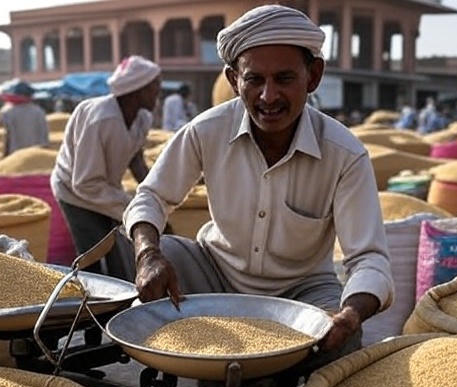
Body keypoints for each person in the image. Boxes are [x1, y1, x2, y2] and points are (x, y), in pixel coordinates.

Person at [124, 5, 393, 364]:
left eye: (284, 79)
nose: (268, 97)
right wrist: (148, 255)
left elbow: (369, 258)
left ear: (313, 77)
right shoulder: (206, 131)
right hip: (215, 274)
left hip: (302, 291)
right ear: (234, 80)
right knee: (162, 252)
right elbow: (151, 197)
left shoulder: (344, 154)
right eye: (254, 80)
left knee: (343, 341)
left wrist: (351, 314)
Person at [51, 55, 161, 280]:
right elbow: (85, 183)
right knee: (92, 254)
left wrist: (154, 195)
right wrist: (129, 205)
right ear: (136, 90)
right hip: (74, 192)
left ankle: (119, 294)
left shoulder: (142, 118)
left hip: (104, 189)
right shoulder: (100, 120)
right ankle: (89, 304)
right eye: (153, 87)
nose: (158, 92)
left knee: (118, 253)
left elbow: (136, 159)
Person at [0, 81, 49, 155]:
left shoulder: (7, 112)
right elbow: (44, 136)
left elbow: (4, 137)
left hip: (14, 155)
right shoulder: (39, 112)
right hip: (36, 154)